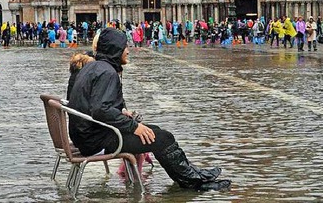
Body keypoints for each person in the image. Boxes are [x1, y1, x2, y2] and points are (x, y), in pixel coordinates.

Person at [68, 28, 231, 191]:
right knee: (163, 138)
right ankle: (192, 183)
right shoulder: (107, 72)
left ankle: (194, 174)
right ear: (114, 48)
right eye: (124, 47)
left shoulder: (94, 67)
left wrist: (121, 113)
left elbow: (96, 104)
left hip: (87, 136)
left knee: (156, 131)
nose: (127, 51)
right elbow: (100, 110)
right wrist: (134, 126)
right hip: (96, 141)